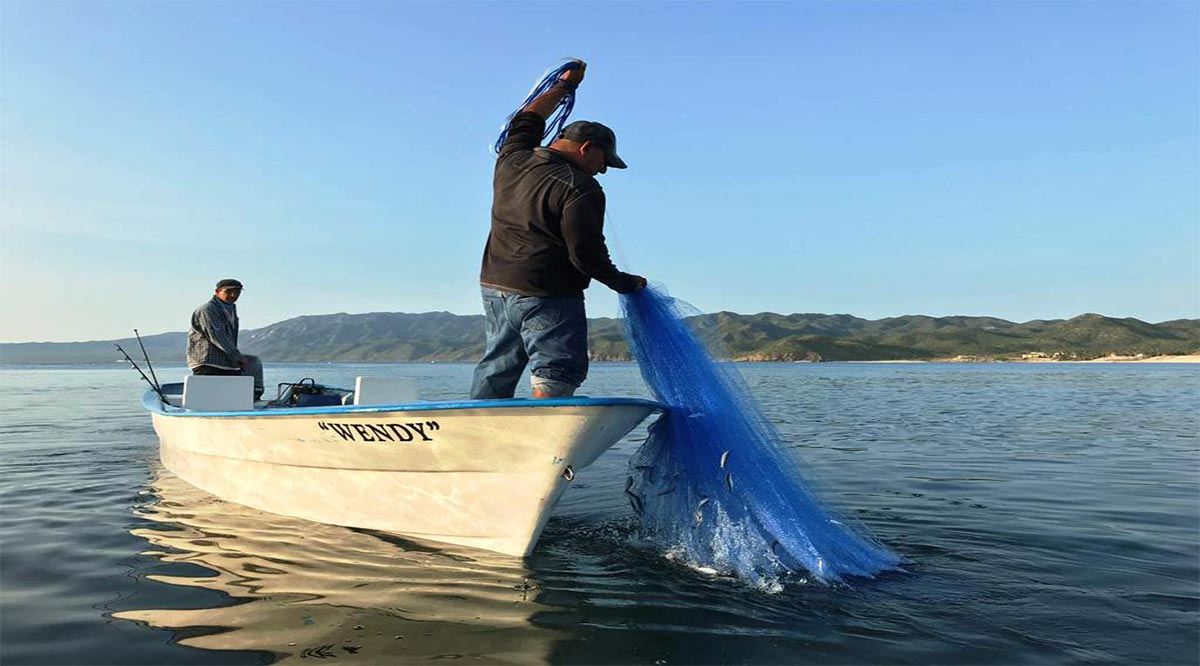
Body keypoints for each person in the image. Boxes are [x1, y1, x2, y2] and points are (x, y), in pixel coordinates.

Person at [471, 60, 647, 400]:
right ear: (587, 149)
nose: (603, 171)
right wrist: (624, 284)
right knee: (557, 369)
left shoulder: (512, 158)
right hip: (547, 292)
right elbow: (585, 255)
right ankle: (547, 443)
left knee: (497, 366)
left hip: (495, 287)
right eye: (604, 162)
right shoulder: (581, 187)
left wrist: (564, 86)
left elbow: (529, 117)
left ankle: (478, 441)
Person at [187, 278, 264, 401]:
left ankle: (253, 398)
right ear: (217, 292)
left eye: (237, 291)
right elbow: (217, 335)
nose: (234, 295)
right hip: (208, 361)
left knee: (254, 362)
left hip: (226, 362)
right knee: (206, 399)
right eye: (229, 291)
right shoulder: (207, 309)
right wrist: (237, 356)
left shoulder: (230, 309)